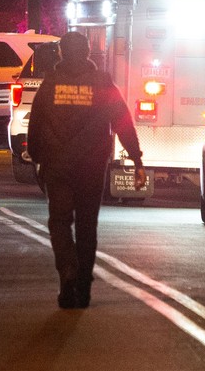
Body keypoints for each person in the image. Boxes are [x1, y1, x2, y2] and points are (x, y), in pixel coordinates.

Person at [27, 31, 147, 309]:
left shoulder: (51, 84)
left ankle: (67, 272)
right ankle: (83, 286)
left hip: (57, 166)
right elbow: (122, 121)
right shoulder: (102, 84)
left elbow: (36, 124)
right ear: (89, 52)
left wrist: (36, 157)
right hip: (91, 168)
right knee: (86, 226)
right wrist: (136, 159)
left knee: (59, 222)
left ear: (61, 53)